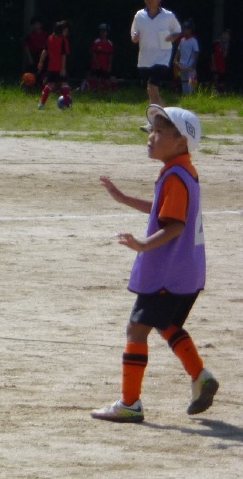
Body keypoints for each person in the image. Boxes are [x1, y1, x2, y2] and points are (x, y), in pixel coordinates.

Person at [93, 105, 218, 422]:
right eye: (151, 130)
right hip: (187, 272)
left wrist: (142, 245)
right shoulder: (184, 171)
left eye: (159, 132)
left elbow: (174, 225)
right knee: (166, 324)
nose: (151, 137)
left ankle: (129, 403)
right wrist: (124, 198)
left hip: (167, 273)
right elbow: (164, 210)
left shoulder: (175, 176)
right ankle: (200, 376)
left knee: (136, 329)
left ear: (181, 142)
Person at [131, 0, 181, 93]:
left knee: (152, 84)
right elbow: (134, 35)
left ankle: (156, 104)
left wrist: (172, 37)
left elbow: (177, 30)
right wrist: (135, 38)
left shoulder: (168, 16)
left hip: (162, 57)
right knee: (149, 87)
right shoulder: (139, 15)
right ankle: (157, 104)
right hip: (145, 58)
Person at [36, 20, 72, 109]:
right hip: (60, 67)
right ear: (61, 31)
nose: (67, 32)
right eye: (66, 30)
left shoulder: (49, 38)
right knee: (64, 84)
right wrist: (63, 68)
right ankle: (67, 105)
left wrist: (40, 62)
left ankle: (42, 104)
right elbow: (63, 55)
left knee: (50, 85)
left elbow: (45, 51)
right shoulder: (63, 40)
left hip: (51, 67)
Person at [174, 20, 200, 95]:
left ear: (190, 30)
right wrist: (175, 60)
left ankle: (193, 97)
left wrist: (194, 64)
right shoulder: (182, 40)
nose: (184, 31)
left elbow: (196, 52)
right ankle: (185, 97)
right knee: (184, 84)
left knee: (192, 85)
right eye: (183, 29)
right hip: (182, 65)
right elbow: (178, 51)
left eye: (186, 29)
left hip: (191, 67)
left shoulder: (194, 41)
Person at [88, 24, 114, 92]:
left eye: (105, 31)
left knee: (105, 80)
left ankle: (104, 91)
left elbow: (110, 55)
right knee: (96, 79)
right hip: (96, 66)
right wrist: (97, 63)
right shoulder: (96, 42)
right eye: (101, 31)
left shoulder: (109, 43)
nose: (103, 33)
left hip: (105, 66)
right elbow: (93, 53)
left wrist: (109, 66)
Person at [210, 28, 230, 92]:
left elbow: (225, 56)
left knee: (222, 82)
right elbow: (212, 55)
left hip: (224, 67)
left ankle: (222, 92)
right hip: (216, 66)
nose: (225, 36)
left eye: (227, 35)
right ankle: (214, 92)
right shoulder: (216, 44)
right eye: (223, 34)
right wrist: (214, 65)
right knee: (215, 80)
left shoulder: (230, 45)